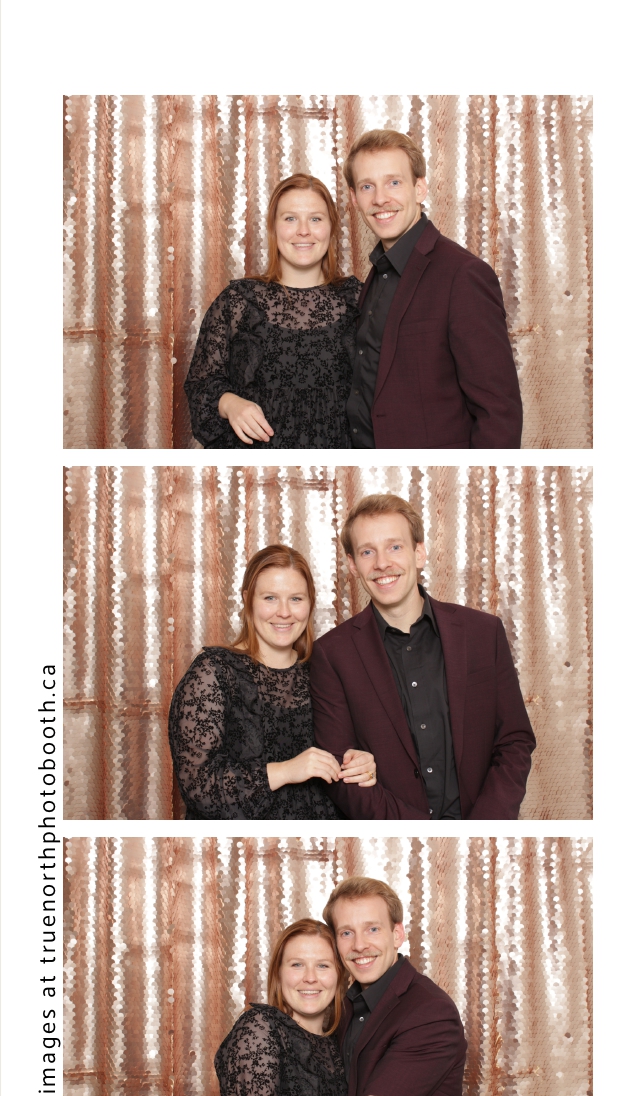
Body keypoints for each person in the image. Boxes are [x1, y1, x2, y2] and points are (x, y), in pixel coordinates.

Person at [309, 493, 535, 821]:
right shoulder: (331, 654)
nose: (382, 563)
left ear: (419, 553)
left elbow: (514, 740)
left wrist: (482, 828)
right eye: (367, 551)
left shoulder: (483, 633)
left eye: (394, 546)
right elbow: (341, 771)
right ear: (353, 564)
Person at [263, 879, 487, 1096]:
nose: (359, 945)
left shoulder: (428, 1011)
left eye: (372, 929)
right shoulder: (342, 1007)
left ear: (397, 934)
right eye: (346, 933)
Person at [168, 543, 376, 820]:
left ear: (310, 603)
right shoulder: (213, 672)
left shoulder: (324, 671)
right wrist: (286, 771)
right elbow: (198, 788)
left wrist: (363, 765)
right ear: (247, 600)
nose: (284, 612)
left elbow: (347, 756)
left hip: (322, 840)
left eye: (296, 599)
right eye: (270, 598)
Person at [344, 128, 522, 449]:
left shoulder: (463, 275)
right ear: (354, 198)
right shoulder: (377, 273)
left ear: (420, 188)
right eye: (367, 186)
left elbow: (499, 413)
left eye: (394, 182)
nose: (380, 198)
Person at [204, 919, 403, 1096]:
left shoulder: (344, 1040)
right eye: (297, 964)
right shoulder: (260, 1026)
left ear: (340, 975)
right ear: (278, 974)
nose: (310, 977)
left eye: (323, 965)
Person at [184, 173, 361, 448]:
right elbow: (200, 385)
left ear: (331, 227)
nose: (303, 230)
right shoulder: (237, 301)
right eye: (290, 218)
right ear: (273, 227)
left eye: (315, 219)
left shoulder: (360, 300)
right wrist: (229, 403)